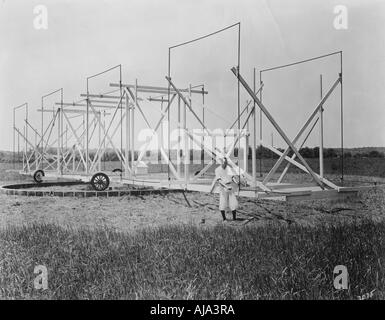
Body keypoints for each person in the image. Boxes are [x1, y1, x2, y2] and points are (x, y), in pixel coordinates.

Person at [214, 157, 238, 221]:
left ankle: (234, 219)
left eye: (226, 162)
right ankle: (224, 219)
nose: (225, 163)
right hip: (223, 187)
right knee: (223, 203)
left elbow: (232, 177)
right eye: (224, 162)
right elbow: (219, 181)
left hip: (230, 186)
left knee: (233, 203)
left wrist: (236, 182)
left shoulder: (228, 168)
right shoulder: (217, 170)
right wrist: (225, 186)